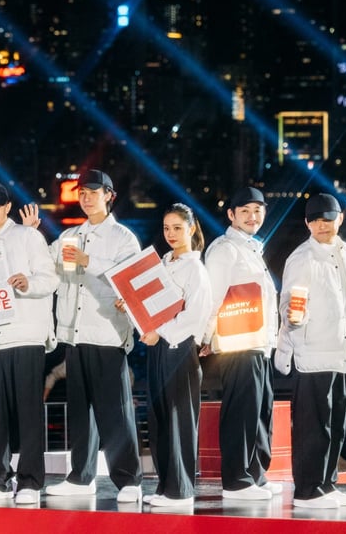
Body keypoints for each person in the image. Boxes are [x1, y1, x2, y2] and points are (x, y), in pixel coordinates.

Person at [42, 170, 144, 504]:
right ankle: (81, 476)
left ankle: (129, 479)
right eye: (82, 192)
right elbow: (48, 264)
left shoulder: (123, 238)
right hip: (74, 333)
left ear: (109, 196)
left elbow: (130, 278)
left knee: (114, 410)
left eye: (93, 192)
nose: (86, 197)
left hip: (107, 333)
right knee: (80, 412)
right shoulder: (70, 235)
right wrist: (32, 238)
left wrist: (89, 261)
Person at [0, 181, 59, 505]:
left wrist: (27, 283)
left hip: (23, 335)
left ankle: (31, 481)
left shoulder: (28, 236)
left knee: (28, 411)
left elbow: (51, 278)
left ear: (7, 208)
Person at [274, 193, 346, 509]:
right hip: (312, 351)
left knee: (335, 423)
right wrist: (293, 317)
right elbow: (288, 301)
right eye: (316, 219)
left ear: (340, 218)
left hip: (340, 349)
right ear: (308, 223)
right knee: (314, 424)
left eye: (328, 218)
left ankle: (326, 483)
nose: (323, 225)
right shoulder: (302, 257)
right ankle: (307, 490)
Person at [199, 187, 281, 500]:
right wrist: (204, 337)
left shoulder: (252, 249)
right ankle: (236, 480)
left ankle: (256, 476)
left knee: (261, 413)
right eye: (244, 210)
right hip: (237, 345)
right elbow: (213, 297)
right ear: (231, 215)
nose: (252, 216)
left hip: (257, 344)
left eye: (258, 210)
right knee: (241, 414)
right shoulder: (224, 249)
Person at [139, 203, 212, 509]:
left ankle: (181, 491)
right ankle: (165, 485)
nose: (170, 234)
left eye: (177, 228)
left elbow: (196, 317)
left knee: (179, 422)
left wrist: (160, 333)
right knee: (158, 419)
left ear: (191, 229)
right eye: (167, 228)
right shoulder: (162, 263)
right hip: (157, 349)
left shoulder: (195, 268)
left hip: (180, 351)